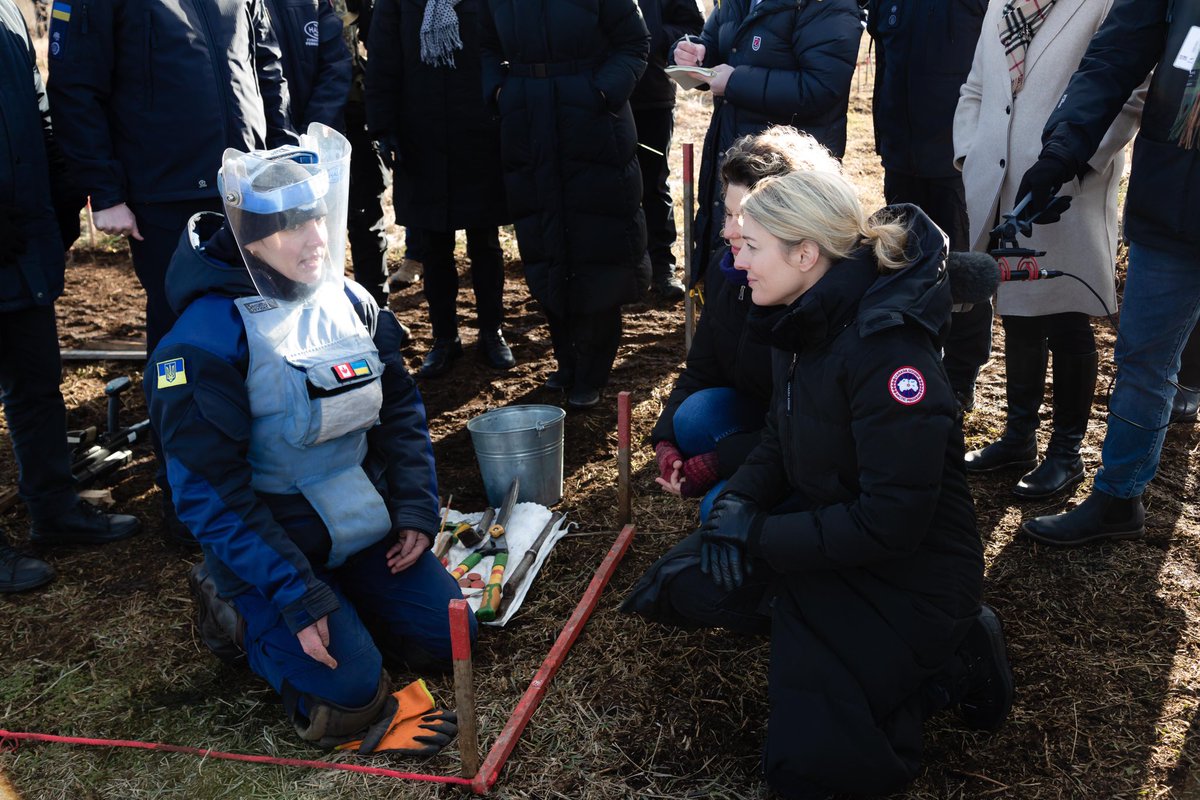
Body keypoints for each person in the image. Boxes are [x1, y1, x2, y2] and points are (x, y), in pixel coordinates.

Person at [626, 168, 1012, 799]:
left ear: (805, 253)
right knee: (682, 586)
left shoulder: (889, 356)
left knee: (812, 776)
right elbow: (780, 436)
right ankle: (832, 647)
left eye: (751, 246)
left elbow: (891, 524)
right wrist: (742, 503)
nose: (737, 260)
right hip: (833, 536)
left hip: (911, 577)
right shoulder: (804, 315)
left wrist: (760, 534)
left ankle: (948, 664)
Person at [146, 125, 471, 752]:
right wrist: (295, 594)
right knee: (349, 699)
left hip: (358, 524)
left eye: (320, 218)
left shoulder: (350, 299)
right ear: (250, 238)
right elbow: (208, 495)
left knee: (447, 637)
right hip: (273, 548)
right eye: (295, 227)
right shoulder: (202, 342)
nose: (319, 238)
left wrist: (414, 507)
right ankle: (233, 608)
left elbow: (400, 407)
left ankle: (343, 602)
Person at [47, 0, 296, 540]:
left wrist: (279, 151)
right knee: (183, 349)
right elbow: (75, 88)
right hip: (165, 195)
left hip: (246, 183)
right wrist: (105, 192)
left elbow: (265, 60)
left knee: (259, 331)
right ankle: (190, 500)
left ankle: (262, 481)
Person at [1015, 0, 1200, 545]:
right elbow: (1114, 57)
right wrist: (1062, 150)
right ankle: (1119, 496)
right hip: (1176, 200)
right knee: (1143, 358)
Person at [953, 0, 1144, 500]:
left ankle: (1066, 452)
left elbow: (1130, 91)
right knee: (1017, 309)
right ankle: (1018, 439)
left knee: (1066, 316)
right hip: (1000, 178)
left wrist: (1079, 158)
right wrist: (970, 149)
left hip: (1067, 184)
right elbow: (975, 86)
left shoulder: (1105, 4)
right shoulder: (1002, 2)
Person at [0, 0, 140, 594]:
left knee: (36, 385)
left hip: (22, 245)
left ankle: (54, 511)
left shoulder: (9, 15)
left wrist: (63, 197)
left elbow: (37, 114)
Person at [652, 127, 838, 520]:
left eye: (745, 217)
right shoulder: (729, 272)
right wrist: (665, 440)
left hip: (810, 448)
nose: (728, 231)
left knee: (716, 512)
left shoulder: (812, 294)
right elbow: (700, 368)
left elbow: (810, 430)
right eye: (728, 212)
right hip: (767, 424)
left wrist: (720, 462)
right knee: (692, 417)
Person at [480, 0, 651, 410]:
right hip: (527, 120)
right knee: (545, 242)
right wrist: (500, 91)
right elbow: (485, 45)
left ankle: (593, 370)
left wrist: (601, 91)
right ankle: (566, 361)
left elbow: (634, 43)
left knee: (597, 242)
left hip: (592, 126)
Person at [367, 0, 515, 379]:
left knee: (484, 240)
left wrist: (504, 104)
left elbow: (503, 47)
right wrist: (383, 126)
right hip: (421, 133)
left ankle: (491, 332)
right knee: (434, 245)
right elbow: (384, 56)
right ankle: (444, 338)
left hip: (479, 129)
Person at [670, 0, 861, 284]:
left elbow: (822, 86)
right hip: (733, 157)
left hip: (788, 175)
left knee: (776, 277)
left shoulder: (828, 6)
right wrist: (697, 53)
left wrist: (735, 82)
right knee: (730, 272)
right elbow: (718, 44)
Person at [866, 0, 991, 409]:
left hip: (958, 160)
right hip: (902, 155)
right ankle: (913, 361)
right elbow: (884, 62)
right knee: (903, 263)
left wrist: (977, 148)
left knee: (962, 271)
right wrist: (884, 138)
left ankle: (959, 375)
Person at [631, 0, 704, 304]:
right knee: (604, 184)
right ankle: (622, 269)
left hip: (652, 95)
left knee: (653, 182)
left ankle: (662, 267)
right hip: (598, 97)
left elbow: (693, 28)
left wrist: (653, 34)